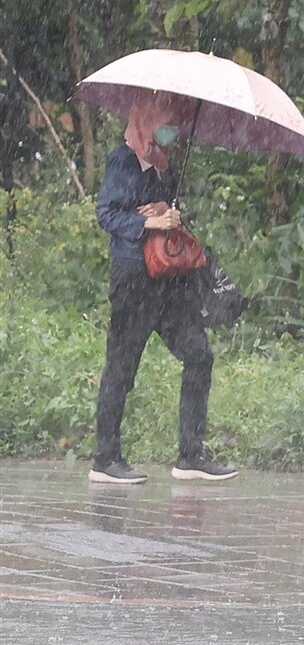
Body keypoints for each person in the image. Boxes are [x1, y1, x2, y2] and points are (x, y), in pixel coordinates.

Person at [91, 91, 237, 485]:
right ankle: (105, 459)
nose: (171, 129)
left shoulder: (163, 164)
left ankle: (191, 454)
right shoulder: (123, 159)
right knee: (122, 366)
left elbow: (164, 213)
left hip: (168, 281)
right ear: (146, 120)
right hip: (133, 277)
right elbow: (106, 212)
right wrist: (146, 224)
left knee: (199, 355)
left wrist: (168, 213)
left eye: (175, 122)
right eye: (165, 121)